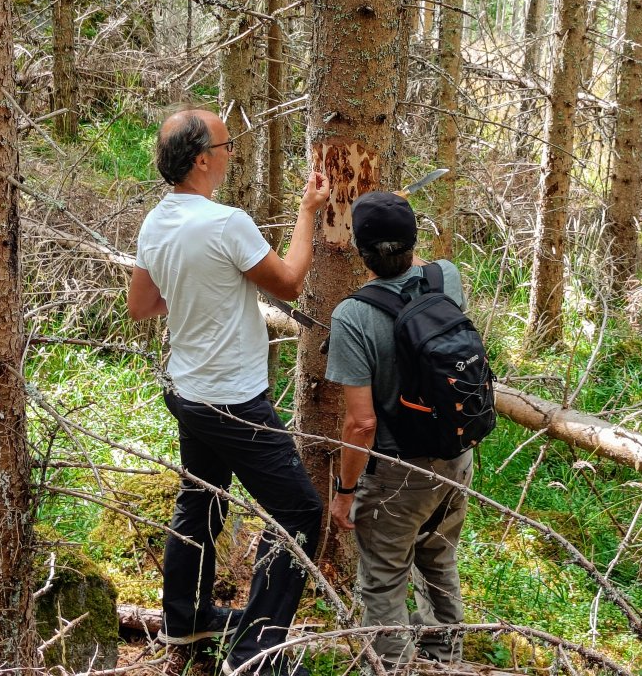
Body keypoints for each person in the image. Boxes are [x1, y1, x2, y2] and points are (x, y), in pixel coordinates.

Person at [128, 107, 329, 676]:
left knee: (201, 500)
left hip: (188, 391)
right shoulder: (225, 223)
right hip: (234, 401)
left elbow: (142, 305)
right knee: (299, 513)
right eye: (226, 143)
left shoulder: (156, 222)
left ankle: (185, 617)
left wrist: (198, 297)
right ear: (201, 160)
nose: (232, 152)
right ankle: (256, 652)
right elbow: (289, 281)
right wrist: (307, 212)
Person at [324, 192, 473, 671]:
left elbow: (361, 422)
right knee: (438, 564)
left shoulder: (352, 317)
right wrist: (399, 224)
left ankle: (391, 669)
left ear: (359, 252)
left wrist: (345, 492)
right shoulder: (445, 277)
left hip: (396, 473)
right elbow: (421, 266)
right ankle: (444, 662)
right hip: (456, 455)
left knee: (384, 583)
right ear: (413, 240)